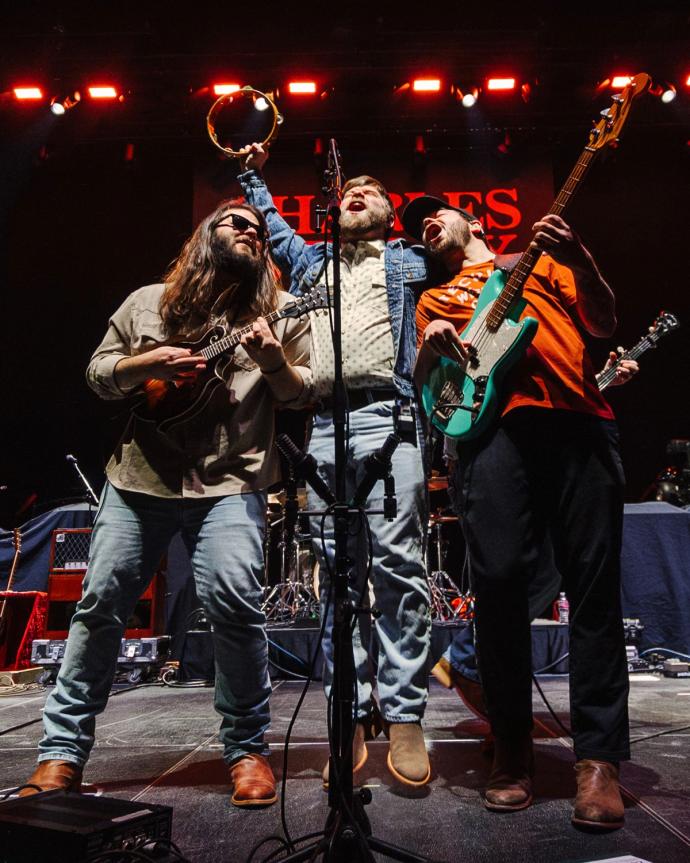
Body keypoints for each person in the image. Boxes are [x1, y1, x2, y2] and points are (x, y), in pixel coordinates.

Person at [21, 200, 311, 808]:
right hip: (139, 480)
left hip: (232, 481)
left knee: (235, 603)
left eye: (260, 230)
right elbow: (99, 375)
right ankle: (61, 753)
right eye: (238, 223)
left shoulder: (281, 311)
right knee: (100, 605)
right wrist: (144, 364)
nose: (252, 232)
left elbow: (301, 390)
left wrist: (272, 362)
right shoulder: (147, 301)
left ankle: (246, 750)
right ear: (206, 236)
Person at [405, 195, 631, 829]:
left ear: (476, 222)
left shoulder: (535, 262)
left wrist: (580, 258)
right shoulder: (433, 298)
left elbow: (605, 323)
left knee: (593, 590)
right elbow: (430, 385)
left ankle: (599, 762)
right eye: (417, 225)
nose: (425, 223)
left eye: (437, 213)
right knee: (498, 585)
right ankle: (511, 748)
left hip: (578, 420)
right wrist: (434, 344)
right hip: (490, 436)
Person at [236, 143, 436, 788]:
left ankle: (404, 715)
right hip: (325, 423)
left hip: (392, 419)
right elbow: (270, 225)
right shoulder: (313, 259)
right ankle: (345, 716)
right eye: (348, 192)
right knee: (336, 575)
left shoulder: (411, 262)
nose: (355, 196)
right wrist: (251, 173)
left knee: (400, 570)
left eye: (370, 193)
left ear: (387, 213)